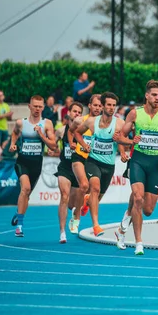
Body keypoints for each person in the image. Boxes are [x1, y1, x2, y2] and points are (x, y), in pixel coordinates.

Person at [115, 80, 158, 255]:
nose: (157, 98)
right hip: (138, 161)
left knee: (148, 210)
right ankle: (138, 242)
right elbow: (120, 137)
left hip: (155, 164)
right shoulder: (135, 114)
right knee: (138, 198)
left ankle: (122, 226)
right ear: (147, 95)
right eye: (154, 95)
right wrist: (130, 141)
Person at [74, 92, 132, 237]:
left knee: (97, 197)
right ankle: (96, 226)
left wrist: (124, 151)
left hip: (109, 165)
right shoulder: (91, 122)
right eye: (109, 105)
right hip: (93, 161)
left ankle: (87, 201)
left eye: (114, 105)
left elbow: (123, 139)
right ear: (103, 106)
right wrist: (83, 145)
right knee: (95, 187)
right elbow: (77, 133)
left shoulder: (119, 123)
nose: (112, 108)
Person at [9, 95, 57, 237]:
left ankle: (19, 213)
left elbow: (53, 146)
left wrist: (41, 134)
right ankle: (19, 226)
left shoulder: (47, 124)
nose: (37, 109)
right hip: (22, 161)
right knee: (26, 188)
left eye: (40, 106)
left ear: (43, 107)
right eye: (34, 106)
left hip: (37, 164)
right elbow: (15, 133)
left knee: (27, 195)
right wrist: (13, 143)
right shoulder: (21, 123)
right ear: (29, 106)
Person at [68, 94, 102, 233]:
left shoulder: (103, 123)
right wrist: (72, 143)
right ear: (89, 105)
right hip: (79, 157)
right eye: (95, 105)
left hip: (93, 159)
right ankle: (76, 219)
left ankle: (85, 202)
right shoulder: (80, 120)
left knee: (95, 192)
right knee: (84, 185)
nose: (97, 108)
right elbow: (71, 132)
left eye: (100, 106)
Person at [54, 102, 83, 243]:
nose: (77, 114)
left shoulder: (85, 130)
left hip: (78, 169)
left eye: (79, 112)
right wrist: (52, 148)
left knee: (73, 204)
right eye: (74, 111)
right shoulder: (61, 130)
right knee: (64, 196)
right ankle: (62, 232)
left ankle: (75, 213)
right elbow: (53, 144)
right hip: (65, 168)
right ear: (69, 113)